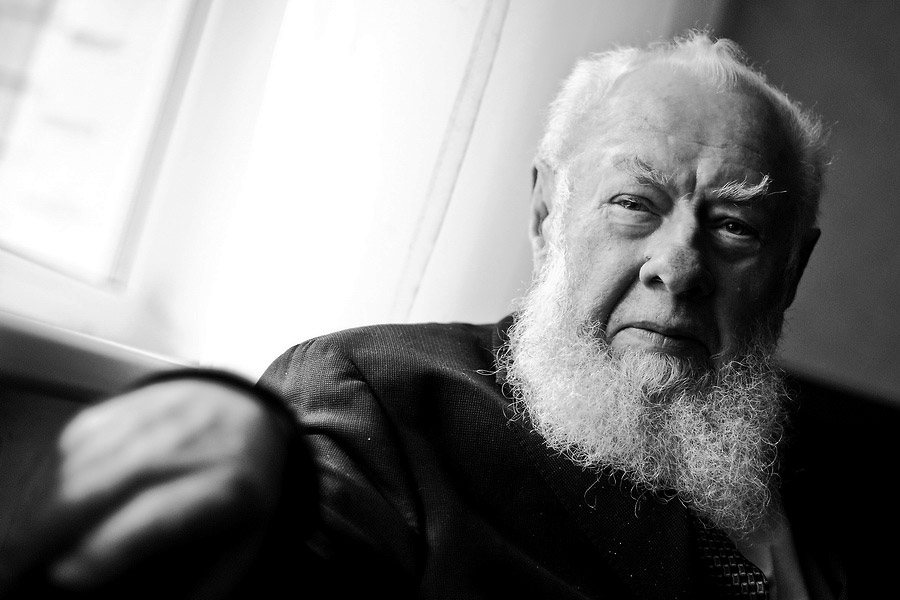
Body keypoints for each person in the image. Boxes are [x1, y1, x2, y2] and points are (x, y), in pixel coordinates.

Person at [1, 30, 897, 599]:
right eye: (634, 203)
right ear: (547, 213)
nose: (678, 265)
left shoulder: (860, 470)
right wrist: (233, 465)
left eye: (735, 225)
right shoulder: (382, 397)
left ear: (790, 270)